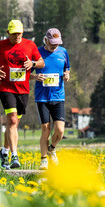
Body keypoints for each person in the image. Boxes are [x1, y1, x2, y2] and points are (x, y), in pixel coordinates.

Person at [0, 19, 44, 170]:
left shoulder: (30, 45)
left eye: (19, 33)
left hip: (23, 89)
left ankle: (4, 152)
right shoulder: (0, 45)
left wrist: (33, 64)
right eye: (14, 34)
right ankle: (14, 156)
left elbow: (41, 62)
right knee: (12, 120)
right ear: (8, 33)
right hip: (5, 87)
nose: (17, 36)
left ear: (23, 32)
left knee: (13, 124)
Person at [34, 28, 70, 170]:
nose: (54, 45)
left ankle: (52, 149)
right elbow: (27, 73)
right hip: (42, 97)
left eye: (57, 43)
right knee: (45, 129)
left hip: (58, 96)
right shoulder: (37, 53)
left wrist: (67, 75)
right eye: (52, 43)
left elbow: (67, 68)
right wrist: (35, 77)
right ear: (46, 40)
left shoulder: (63, 52)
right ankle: (43, 160)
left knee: (60, 130)